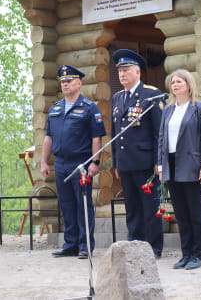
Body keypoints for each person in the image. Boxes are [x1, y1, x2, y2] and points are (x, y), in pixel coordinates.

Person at [41, 64, 106, 259]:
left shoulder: (89, 107)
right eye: (62, 82)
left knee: (83, 204)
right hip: (60, 163)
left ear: (79, 83)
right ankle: (70, 244)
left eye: (69, 81)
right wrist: (44, 162)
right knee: (66, 204)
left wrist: (95, 162)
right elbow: (48, 138)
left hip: (81, 163)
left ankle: (85, 245)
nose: (65, 84)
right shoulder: (55, 109)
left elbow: (97, 138)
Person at [157, 69, 201, 270]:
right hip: (172, 165)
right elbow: (161, 140)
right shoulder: (168, 110)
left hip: (192, 165)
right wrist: (160, 165)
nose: (175, 85)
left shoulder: (200, 108)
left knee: (195, 212)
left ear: (189, 85)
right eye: (173, 82)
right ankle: (186, 253)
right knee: (181, 213)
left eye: (179, 82)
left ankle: (199, 254)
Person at [110, 49, 164, 258]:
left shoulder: (151, 95)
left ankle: (153, 247)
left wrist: (158, 162)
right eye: (120, 71)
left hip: (145, 162)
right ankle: (135, 244)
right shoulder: (116, 98)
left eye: (126, 70)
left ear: (138, 72)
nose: (122, 75)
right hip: (125, 163)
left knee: (150, 207)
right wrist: (116, 163)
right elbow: (115, 134)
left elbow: (159, 132)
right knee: (132, 207)